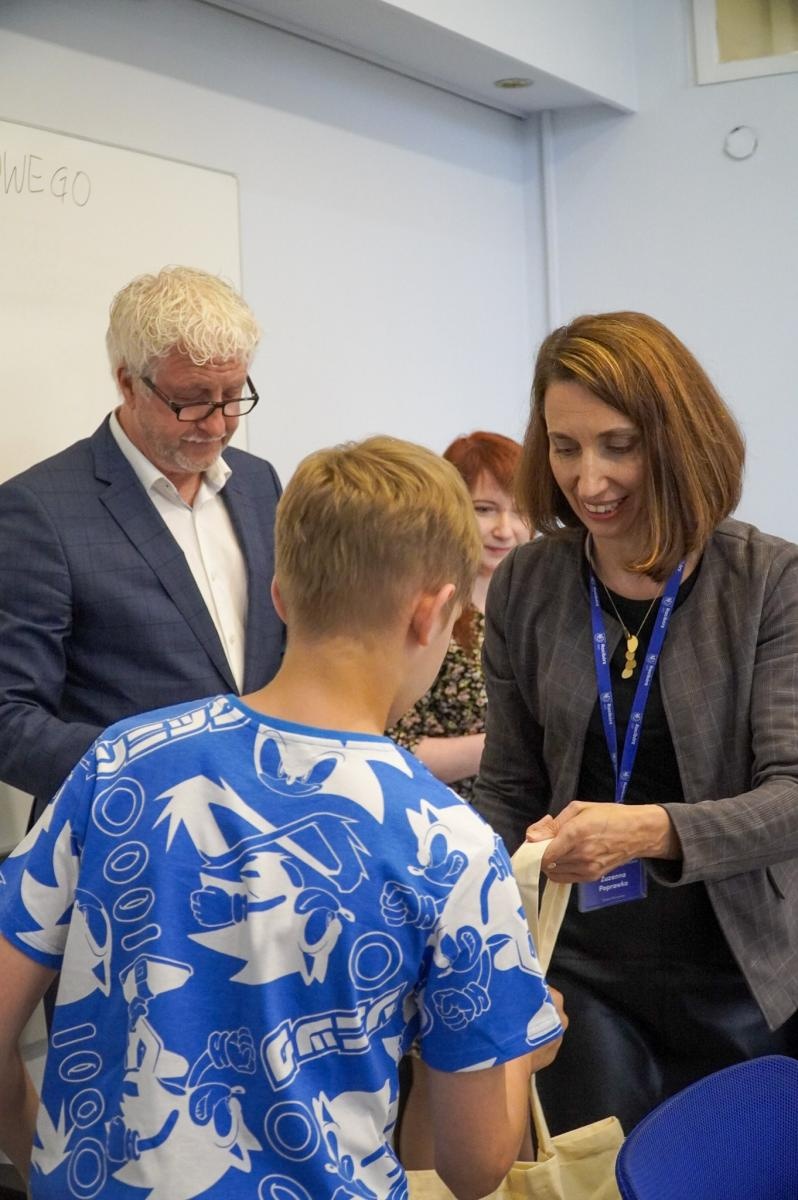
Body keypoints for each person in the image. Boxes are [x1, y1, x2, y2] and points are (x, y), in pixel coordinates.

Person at [0, 435, 564, 1200]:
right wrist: (521, 1049)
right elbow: (469, 1166)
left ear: (279, 595)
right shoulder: (450, 843)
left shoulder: (121, 760)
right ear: (433, 612)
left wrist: (44, 1164)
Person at [473, 310, 798, 1136]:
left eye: (618, 445)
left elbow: (792, 795)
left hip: (739, 975)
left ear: (677, 439)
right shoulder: (529, 586)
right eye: (565, 445)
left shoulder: (767, 581)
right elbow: (508, 789)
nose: (588, 481)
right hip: (577, 969)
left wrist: (650, 830)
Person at [0, 266, 284, 819]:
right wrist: (160, 769)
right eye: (193, 400)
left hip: (265, 828)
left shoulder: (260, 483)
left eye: (233, 395)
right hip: (121, 836)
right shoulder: (39, 511)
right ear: (127, 381)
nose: (220, 423)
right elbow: (9, 718)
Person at [390, 431, 530, 801]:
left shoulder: (538, 606)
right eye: (485, 509)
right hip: (442, 819)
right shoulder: (426, 610)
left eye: (519, 510)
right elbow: (393, 747)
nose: (505, 528)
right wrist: (509, 748)